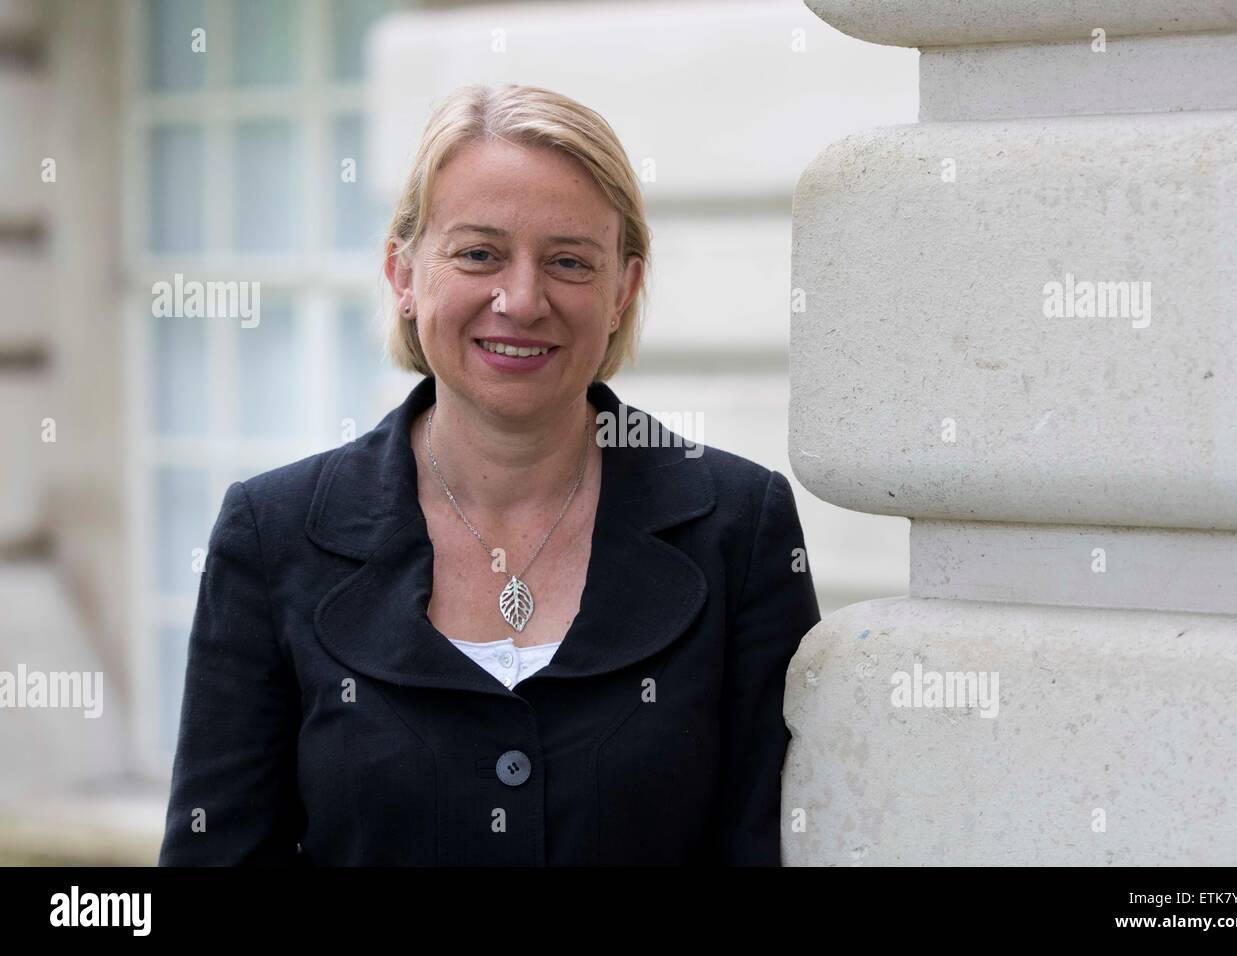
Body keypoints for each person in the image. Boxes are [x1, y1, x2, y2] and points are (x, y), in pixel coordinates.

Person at [158, 83, 820, 866]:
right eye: (478, 254)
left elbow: (768, 845)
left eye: (570, 261)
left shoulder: (738, 528)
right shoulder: (271, 535)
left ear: (623, 291)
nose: (522, 299)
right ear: (403, 275)